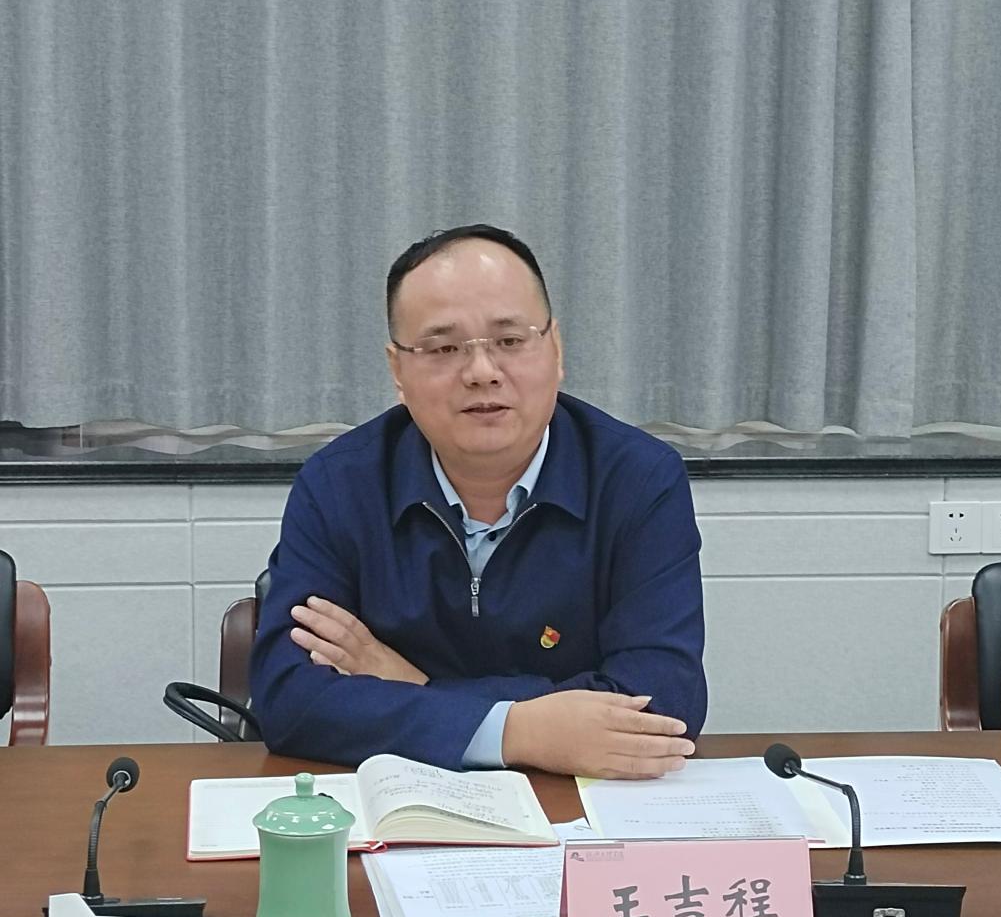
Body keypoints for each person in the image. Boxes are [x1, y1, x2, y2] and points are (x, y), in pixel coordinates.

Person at [249, 224, 706, 777]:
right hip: (401, 804)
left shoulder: (638, 479)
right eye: (443, 348)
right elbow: (289, 700)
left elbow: (663, 702)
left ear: (556, 350)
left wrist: (419, 687)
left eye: (510, 341)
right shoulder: (338, 484)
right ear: (398, 371)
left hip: (578, 809)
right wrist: (520, 731)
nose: (482, 373)